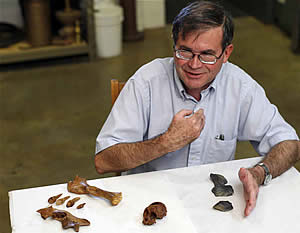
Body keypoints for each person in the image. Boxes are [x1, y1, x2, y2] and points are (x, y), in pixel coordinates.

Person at [95, 1, 300, 217]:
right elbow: (103, 160)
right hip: (147, 207)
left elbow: (290, 144)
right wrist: (166, 142)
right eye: (185, 52)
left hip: (210, 208)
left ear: (226, 53)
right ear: (174, 45)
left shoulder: (240, 87)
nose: (194, 65)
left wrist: (260, 173)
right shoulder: (146, 82)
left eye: (207, 55)